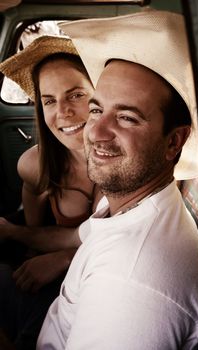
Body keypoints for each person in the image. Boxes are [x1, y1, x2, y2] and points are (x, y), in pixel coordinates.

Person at [37, 9, 198, 350]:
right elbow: (82, 237)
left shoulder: (133, 286)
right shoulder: (127, 201)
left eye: (127, 117)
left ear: (173, 142)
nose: (96, 131)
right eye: (98, 109)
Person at [0, 35, 102, 349]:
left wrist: (63, 258)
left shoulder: (125, 166)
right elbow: (33, 204)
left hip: (99, 282)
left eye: (76, 95)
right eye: (49, 100)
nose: (63, 112)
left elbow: (114, 244)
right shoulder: (35, 165)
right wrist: (28, 239)